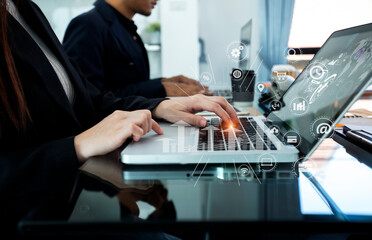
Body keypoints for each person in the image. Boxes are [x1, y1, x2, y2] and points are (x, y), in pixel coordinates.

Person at [0, 0, 237, 235]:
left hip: (74, 197)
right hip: (36, 214)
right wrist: (77, 145)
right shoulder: (86, 25)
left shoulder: (26, 9)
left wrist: (161, 106)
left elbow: (88, 96)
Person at [63, 0, 212, 98]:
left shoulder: (126, 28)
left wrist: (166, 82)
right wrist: (162, 88)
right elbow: (89, 98)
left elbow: (126, 84)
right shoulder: (88, 25)